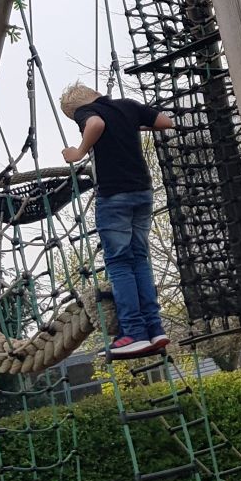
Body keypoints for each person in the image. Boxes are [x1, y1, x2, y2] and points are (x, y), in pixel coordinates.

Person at [59, 83, 174, 360]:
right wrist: (134, 125)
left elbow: (96, 124)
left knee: (120, 262)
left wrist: (78, 152)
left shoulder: (87, 112)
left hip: (115, 196)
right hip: (142, 193)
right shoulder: (128, 107)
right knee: (139, 259)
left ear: (76, 110)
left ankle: (133, 332)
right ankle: (154, 328)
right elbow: (164, 122)